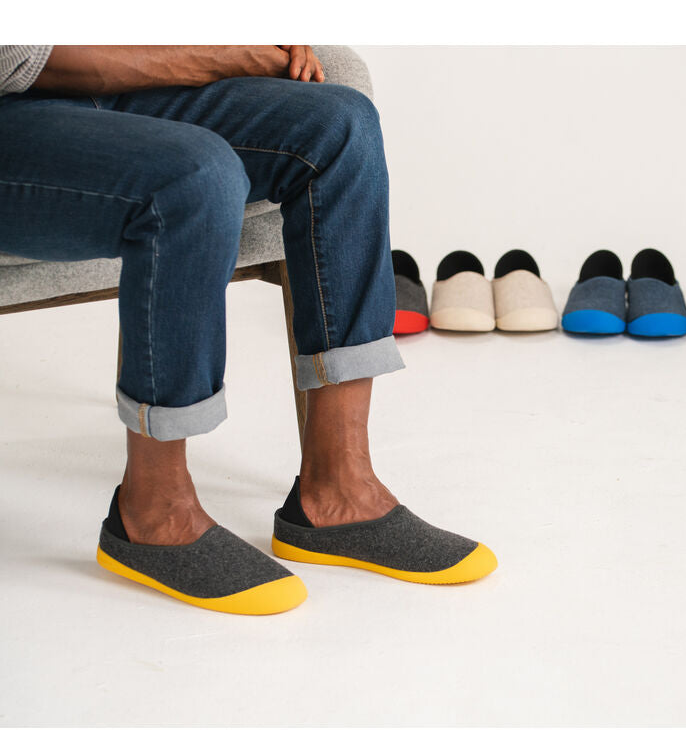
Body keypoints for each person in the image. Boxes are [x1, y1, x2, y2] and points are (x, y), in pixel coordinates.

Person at [0, 45, 497, 615]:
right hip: (18, 106)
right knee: (195, 175)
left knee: (340, 126)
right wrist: (216, 56)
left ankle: (339, 491)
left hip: (117, 88)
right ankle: (153, 512)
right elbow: (18, 57)